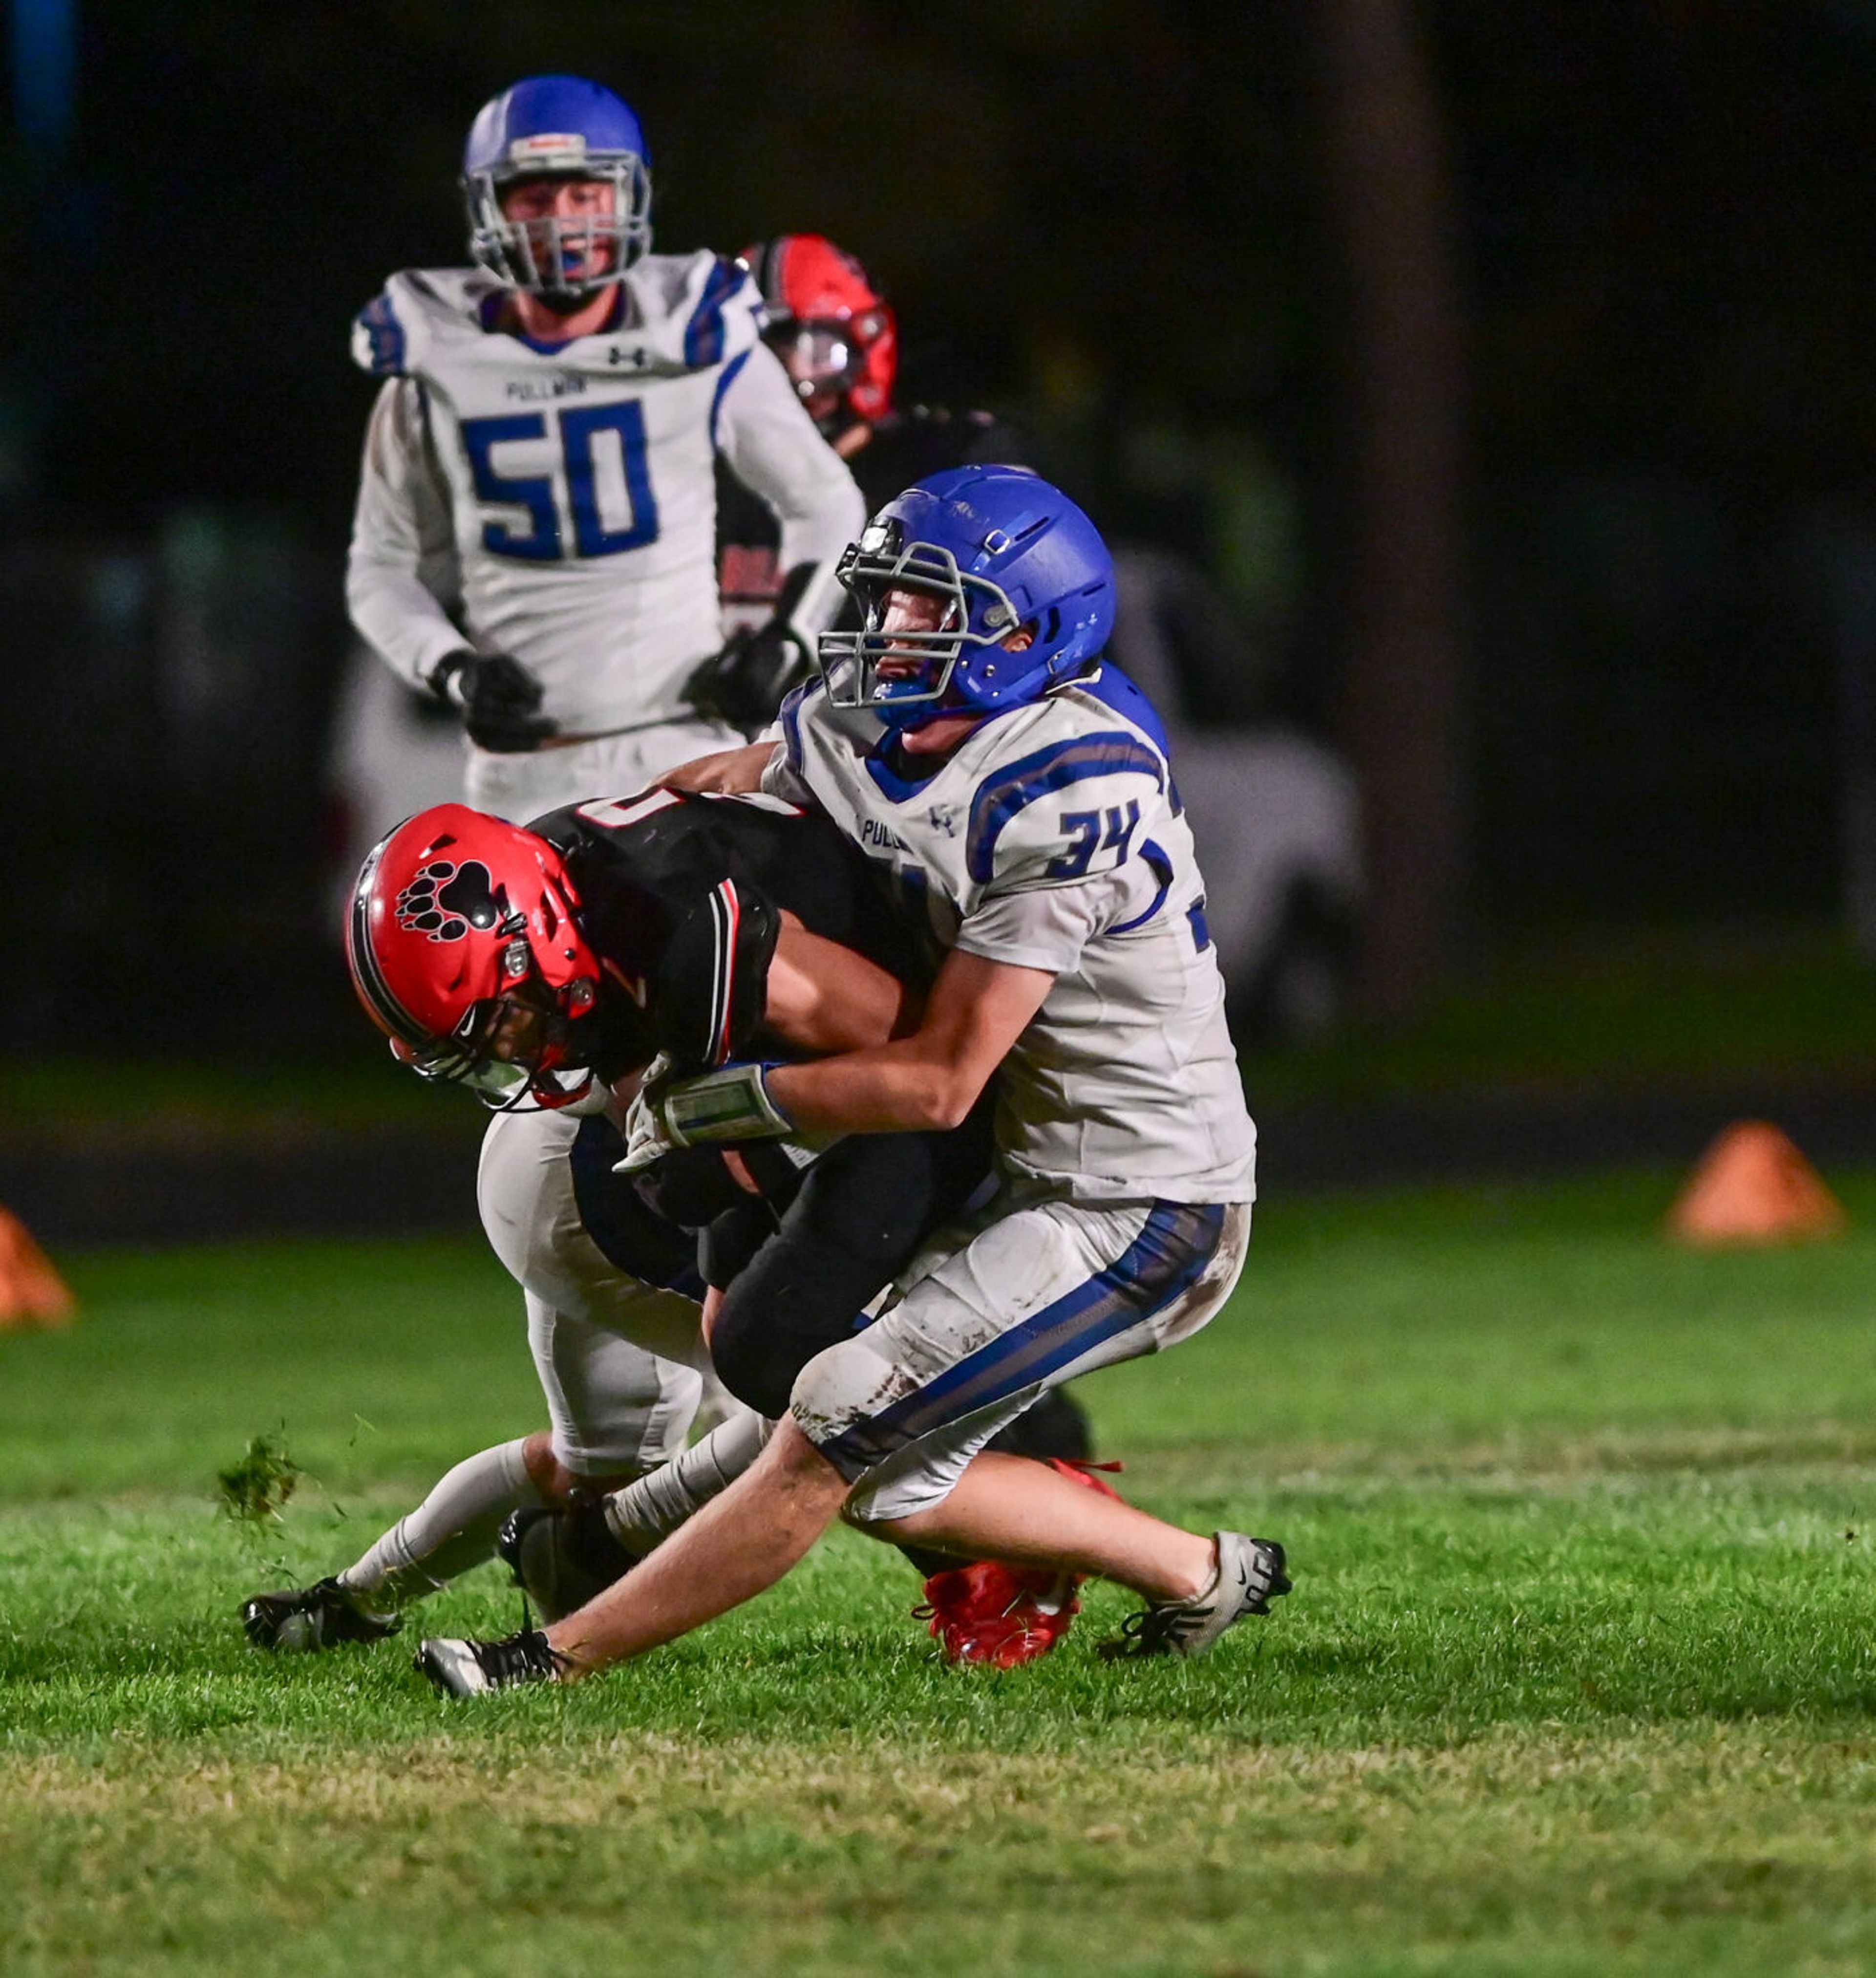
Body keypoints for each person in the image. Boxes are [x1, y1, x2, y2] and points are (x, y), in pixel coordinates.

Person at [410, 466, 1290, 1697]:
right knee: (892, 1476)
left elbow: (937, 1079)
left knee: (835, 1412)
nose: (892, 637)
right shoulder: (860, 723)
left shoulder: (1069, 783)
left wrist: (716, 1104)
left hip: (1137, 1199)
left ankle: (546, 1659)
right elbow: (738, 781)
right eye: (887, 605)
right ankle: (1205, 1574)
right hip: (1017, 1168)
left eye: (936, 615)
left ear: (1032, 634)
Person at [244, 790, 1100, 1665]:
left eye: (497, 1022)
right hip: (592, 1178)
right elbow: (902, 1070)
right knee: (838, 1392)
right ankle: (975, 1578)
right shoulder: (598, 907)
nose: (504, 1050)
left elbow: (903, 1057)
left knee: (609, 1456)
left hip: (568, 1164)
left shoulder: (666, 911)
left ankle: (352, 1600)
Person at [344, 77, 866, 826]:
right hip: (522, 766)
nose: (561, 222)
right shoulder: (435, 364)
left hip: (687, 746)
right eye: (534, 198)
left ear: (627, 197)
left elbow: (827, 502)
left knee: (717, 942)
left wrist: (786, 642)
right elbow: (382, 568)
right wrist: (450, 669)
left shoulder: (695, 335)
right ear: (490, 207)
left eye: (584, 195)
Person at [696, 234, 1023, 730]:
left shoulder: (943, 466)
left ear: (866, 345)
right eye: (751, 360)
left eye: (808, 351)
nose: (771, 385)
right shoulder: (694, 474)